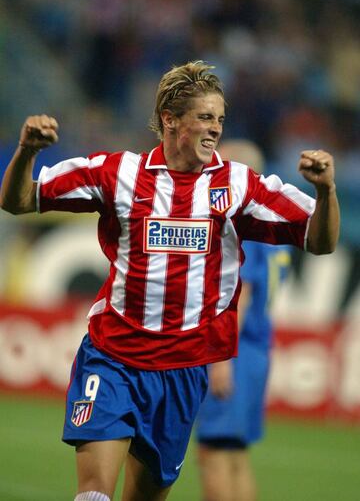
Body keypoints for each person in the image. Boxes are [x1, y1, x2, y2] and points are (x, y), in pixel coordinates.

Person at [0, 61, 339, 501]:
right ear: (170, 119)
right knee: (93, 495)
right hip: (113, 356)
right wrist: (27, 151)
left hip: (183, 370)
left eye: (219, 118)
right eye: (204, 117)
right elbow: (20, 201)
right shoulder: (118, 174)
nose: (215, 128)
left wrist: (326, 192)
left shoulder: (238, 185)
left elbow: (320, 241)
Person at [195, 139, 291, 501]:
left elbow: (242, 294)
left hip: (234, 351)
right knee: (234, 455)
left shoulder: (245, 224)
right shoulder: (272, 226)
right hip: (255, 350)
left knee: (214, 454)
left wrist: (222, 357)